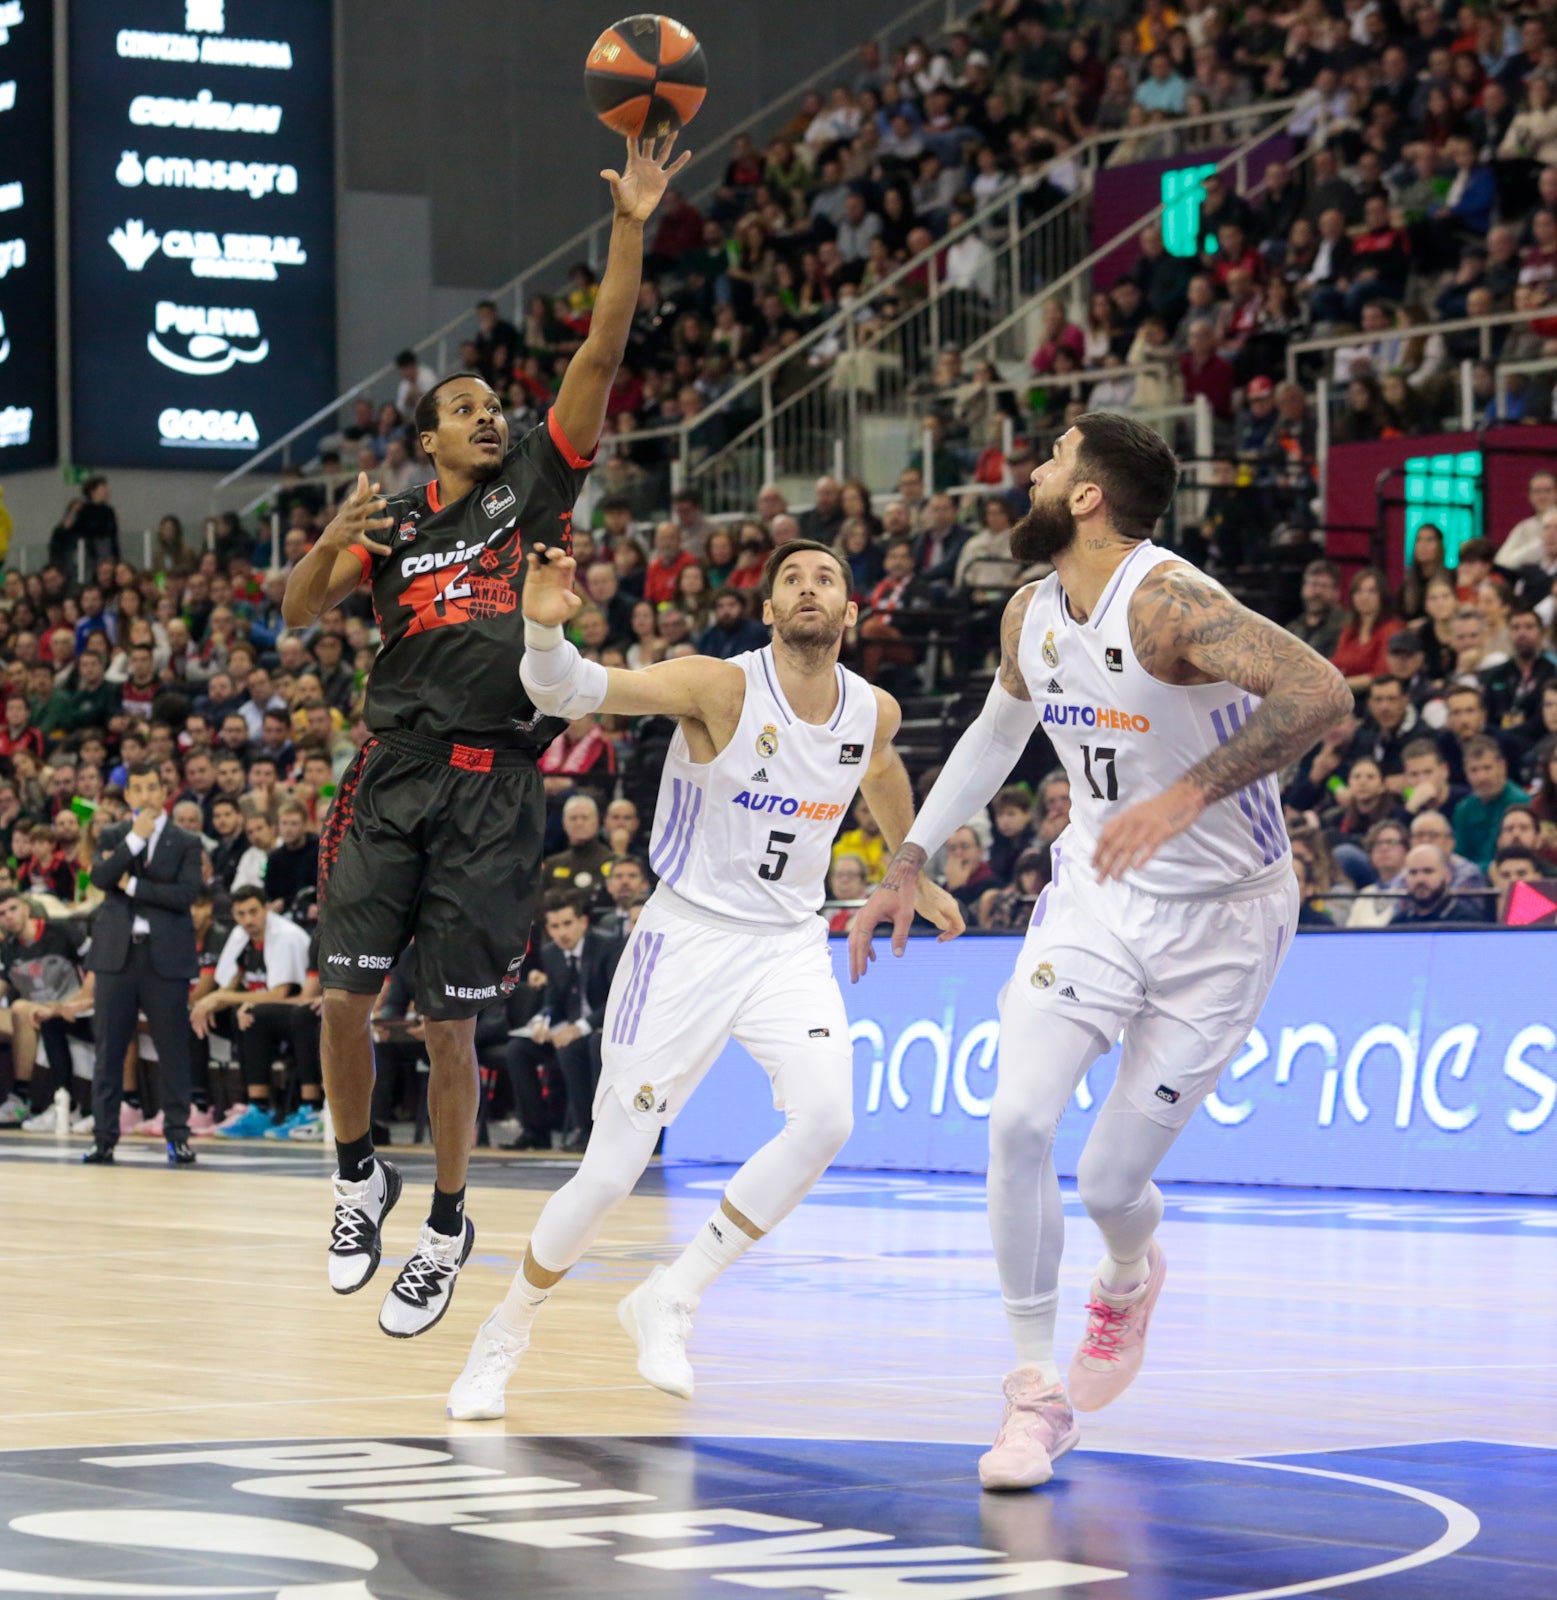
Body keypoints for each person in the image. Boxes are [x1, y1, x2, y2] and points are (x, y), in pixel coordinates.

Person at [848, 413, 1351, 1492]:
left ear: (1086, 497)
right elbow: (993, 735)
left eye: (1050, 461)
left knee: (1113, 1178)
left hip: (1223, 916)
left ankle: (1128, 1273)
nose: (1029, 472)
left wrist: (1184, 796)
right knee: (1018, 1121)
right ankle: (1035, 1392)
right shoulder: (1031, 612)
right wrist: (911, 856)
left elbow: (1323, 693)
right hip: (1096, 892)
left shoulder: (1173, 604)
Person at [280, 134, 689, 1339]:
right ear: (428, 440)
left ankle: (450, 1222)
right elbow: (300, 611)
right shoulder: (396, 524)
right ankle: (360, 1175)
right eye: (463, 408)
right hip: (392, 770)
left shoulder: (535, 489)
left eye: (490, 404)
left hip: (494, 782)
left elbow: (603, 351)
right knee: (342, 1005)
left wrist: (628, 228)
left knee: (448, 1022)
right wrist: (325, 538)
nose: (485, 413)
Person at [445, 538, 963, 1419]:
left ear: (850, 613)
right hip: (685, 938)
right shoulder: (718, 685)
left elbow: (879, 770)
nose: (808, 587)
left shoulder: (870, 710)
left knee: (827, 1119)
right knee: (610, 1173)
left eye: (826, 578)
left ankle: (672, 1294)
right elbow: (570, 691)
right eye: (790, 578)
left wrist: (908, 868)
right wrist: (541, 631)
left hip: (788, 943)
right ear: (767, 610)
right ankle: (504, 1332)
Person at [82, 764, 203, 1166]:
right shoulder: (116, 835)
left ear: (164, 791)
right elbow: (100, 878)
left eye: (154, 787)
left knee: (172, 1050)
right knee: (109, 1050)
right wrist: (135, 841)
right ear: (129, 795)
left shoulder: (185, 839)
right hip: (117, 956)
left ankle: (178, 1135)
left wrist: (132, 886)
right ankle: (104, 1137)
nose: (147, 795)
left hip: (164, 956)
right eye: (139, 789)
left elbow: (186, 894)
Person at [195, 885, 317, 1138]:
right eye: (241, 914)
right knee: (197, 1017)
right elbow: (229, 983)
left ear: (266, 909)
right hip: (262, 1011)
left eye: (253, 912)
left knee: (254, 1016)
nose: (248, 920)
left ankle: (277, 1108)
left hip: (296, 1013)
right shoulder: (241, 938)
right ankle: (197, 1104)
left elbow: (279, 994)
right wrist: (208, 1004)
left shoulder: (286, 935)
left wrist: (221, 997)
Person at [504, 892, 622, 1152]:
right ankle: (535, 1130)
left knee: (573, 1047)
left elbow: (617, 999)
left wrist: (579, 1027)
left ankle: (587, 1130)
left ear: (583, 922)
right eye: (555, 926)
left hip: (603, 1028)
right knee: (517, 1050)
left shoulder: (609, 947)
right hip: (570, 1029)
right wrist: (540, 1021)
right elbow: (552, 1002)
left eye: (567, 924)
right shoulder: (551, 953)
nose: (562, 933)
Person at [0, 892, 95, 1132]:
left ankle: (21, 1096)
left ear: (25, 908)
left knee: (23, 1009)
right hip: (39, 1013)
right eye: (2, 914)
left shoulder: (62, 931)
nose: (8, 917)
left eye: (12, 909)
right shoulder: (7, 950)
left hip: (73, 1006)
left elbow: (96, 967)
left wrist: (75, 1002)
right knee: (27, 1011)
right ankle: (35, 1100)